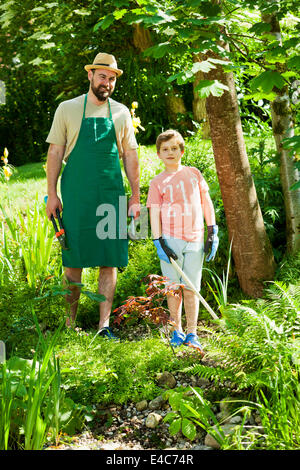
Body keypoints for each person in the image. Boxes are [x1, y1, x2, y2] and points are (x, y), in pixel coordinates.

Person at [45, 52, 140, 337]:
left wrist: (135, 197)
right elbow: (55, 152)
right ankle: (69, 324)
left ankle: (104, 325)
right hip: (76, 195)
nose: (107, 83)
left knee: (108, 258)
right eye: (102, 76)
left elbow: (130, 156)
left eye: (111, 79)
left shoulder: (122, 113)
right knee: (73, 261)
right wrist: (51, 194)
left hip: (111, 194)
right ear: (90, 75)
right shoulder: (67, 108)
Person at [146, 129, 218, 354]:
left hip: (195, 239)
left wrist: (212, 231)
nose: (170, 152)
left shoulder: (194, 174)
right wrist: (159, 241)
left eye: (174, 148)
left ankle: (192, 333)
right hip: (171, 240)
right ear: (158, 154)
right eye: (165, 149)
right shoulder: (157, 182)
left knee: (191, 288)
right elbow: (154, 213)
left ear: (182, 151)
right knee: (173, 288)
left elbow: (206, 203)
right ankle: (176, 329)